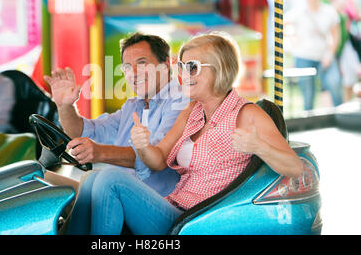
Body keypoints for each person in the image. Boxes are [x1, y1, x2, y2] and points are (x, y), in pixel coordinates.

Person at [66, 32, 304, 235]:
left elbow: (296, 168)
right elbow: (157, 160)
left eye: (193, 67)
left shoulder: (247, 115)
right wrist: (143, 146)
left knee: (110, 179)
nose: (183, 75)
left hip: (199, 221)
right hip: (175, 210)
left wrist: (259, 147)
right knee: (93, 179)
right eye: (182, 67)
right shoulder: (192, 110)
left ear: (220, 69)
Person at [43, 33, 188, 198]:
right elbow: (84, 132)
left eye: (142, 63)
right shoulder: (134, 105)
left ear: (166, 65)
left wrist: (100, 152)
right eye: (127, 67)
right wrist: (65, 106)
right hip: (123, 196)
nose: (133, 72)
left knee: (102, 181)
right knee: (49, 182)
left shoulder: (180, 100)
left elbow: (155, 157)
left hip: (158, 201)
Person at [285, 0, 343, 111]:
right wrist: (292, 39)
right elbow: (282, 25)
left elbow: (336, 35)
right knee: (308, 93)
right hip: (304, 56)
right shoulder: (298, 12)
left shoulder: (329, 12)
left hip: (324, 56)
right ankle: (308, 121)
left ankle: (339, 114)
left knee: (334, 84)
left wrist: (330, 54)